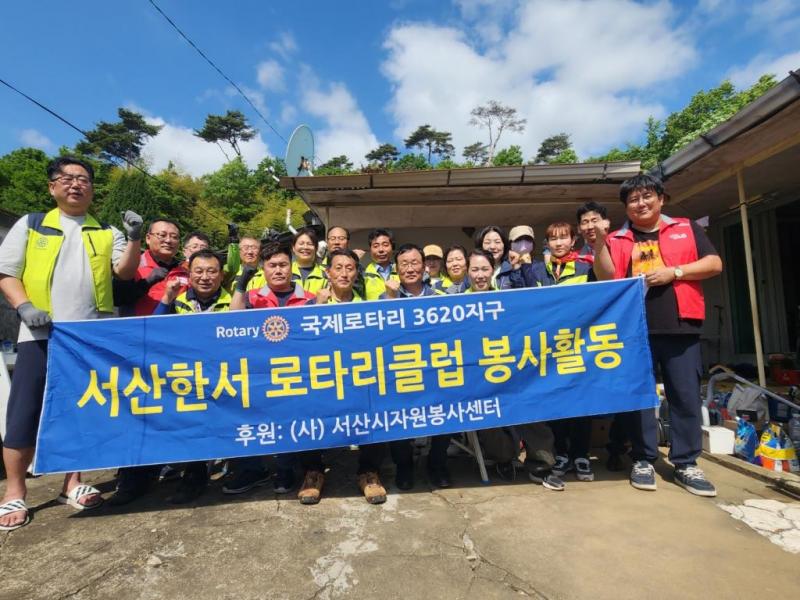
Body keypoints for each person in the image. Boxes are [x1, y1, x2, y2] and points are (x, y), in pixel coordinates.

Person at [0, 156, 142, 530]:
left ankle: (72, 483)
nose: (76, 185)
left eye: (83, 179)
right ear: (52, 186)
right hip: (39, 334)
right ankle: (14, 491)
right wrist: (24, 306)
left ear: (93, 189)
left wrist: (134, 238)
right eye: (67, 178)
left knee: (78, 411)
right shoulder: (31, 225)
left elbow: (124, 272)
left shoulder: (106, 231)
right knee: (24, 412)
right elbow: (6, 273)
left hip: (87, 339)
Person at [593, 173, 723, 497]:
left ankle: (686, 463)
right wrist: (598, 242)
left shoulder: (686, 229)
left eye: (646, 196)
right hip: (634, 331)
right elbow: (606, 276)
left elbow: (714, 263)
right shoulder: (618, 239)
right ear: (626, 207)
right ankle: (642, 459)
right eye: (633, 200)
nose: (640, 203)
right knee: (640, 399)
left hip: (682, 327)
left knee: (685, 396)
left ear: (661, 198)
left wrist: (675, 272)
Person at [461, 250, 565, 490]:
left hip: (512, 374)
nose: (479, 275)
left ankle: (541, 466)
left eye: (484, 269)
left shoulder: (508, 301)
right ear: (467, 272)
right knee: (489, 419)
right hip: (477, 381)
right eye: (474, 270)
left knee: (531, 408)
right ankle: (504, 459)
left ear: (493, 271)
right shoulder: (452, 304)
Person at [297, 249, 388, 505]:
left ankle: (369, 473)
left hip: (358, 379)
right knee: (305, 410)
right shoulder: (312, 305)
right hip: (322, 378)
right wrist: (316, 308)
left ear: (356, 273)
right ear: (328, 272)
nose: (344, 273)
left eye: (350, 268)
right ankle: (313, 473)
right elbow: (300, 343)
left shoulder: (368, 308)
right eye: (338, 268)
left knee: (376, 407)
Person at [225, 242, 316, 495]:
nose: (278, 270)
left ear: (292, 266)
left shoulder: (309, 298)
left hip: (294, 373)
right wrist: (241, 284)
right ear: (263, 269)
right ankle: (253, 469)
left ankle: (285, 469)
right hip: (259, 372)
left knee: (288, 420)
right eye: (272, 266)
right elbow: (232, 322)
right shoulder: (252, 298)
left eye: (283, 265)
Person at [151, 249, 232, 504]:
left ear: (221, 275)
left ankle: (243, 469)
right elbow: (153, 330)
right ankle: (194, 476)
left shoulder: (235, 303)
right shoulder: (178, 301)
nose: (205, 277)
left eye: (211, 271)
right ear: (189, 273)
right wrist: (166, 298)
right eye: (199, 271)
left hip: (225, 377)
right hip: (187, 378)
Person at [522, 222, 595, 482]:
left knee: (581, 402)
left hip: (579, 344)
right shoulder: (536, 270)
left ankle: (581, 454)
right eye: (553, 239)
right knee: (555, 403)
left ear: (573, 240)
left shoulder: (587, 268)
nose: (559, 243)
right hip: (548, 348)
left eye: (564, 237)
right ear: (547, 243)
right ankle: (561, 453)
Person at [380, 244, 452, 488]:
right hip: (401, 373)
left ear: (424, 266)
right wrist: (390, 300)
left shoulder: (441, 299)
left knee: (449, 410)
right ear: (396, 269)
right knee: (396, 416)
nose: (410, 269)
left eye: (414, 263)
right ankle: (404, 466)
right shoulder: (385, 297)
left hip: (435, 372)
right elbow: (380, 336)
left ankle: (437, 464)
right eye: (404, 264)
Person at [474, 226, 521, 290]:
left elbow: (521, 293)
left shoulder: (512, 268)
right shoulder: (473, 270)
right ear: (480, 246)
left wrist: (515, 268)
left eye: (497, 242)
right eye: (487, 242)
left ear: (504, 245)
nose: (492, 247)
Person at [363, 228, 399, 300]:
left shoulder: (401, 271)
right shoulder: (363, 274)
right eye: (376, 246)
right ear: (370, 249)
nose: (381, 250)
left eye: (385, 245)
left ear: (392, 248)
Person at [291, 227, 327, 294]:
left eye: (310, 244)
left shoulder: (325, 274)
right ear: (293, 248)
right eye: (301, 244)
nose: (305, 247)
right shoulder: (286, 272)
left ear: (316, 248)